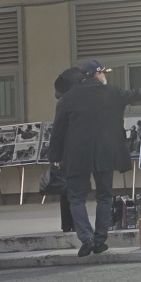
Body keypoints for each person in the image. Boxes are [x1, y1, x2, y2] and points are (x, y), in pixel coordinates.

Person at [50, 61, 141, 257]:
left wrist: (54, 157)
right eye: (103, 73)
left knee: (76, 198)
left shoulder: (68, 98)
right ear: (97, 74)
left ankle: (87, 238)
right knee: (104, 196)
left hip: (77, 155)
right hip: (106, 154)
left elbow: (58, 131)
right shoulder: (112, 92)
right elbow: (138, 93)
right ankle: (100, 240)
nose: (105, 76)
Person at [52, 66, 86, 234]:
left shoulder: (64, 100)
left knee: (68, 190)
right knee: (73, 191)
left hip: (68, 151)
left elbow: (58, 130)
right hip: (73, 151)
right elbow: (59, 129)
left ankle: (68, 224)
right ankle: (72, 224)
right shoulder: (71, 101)